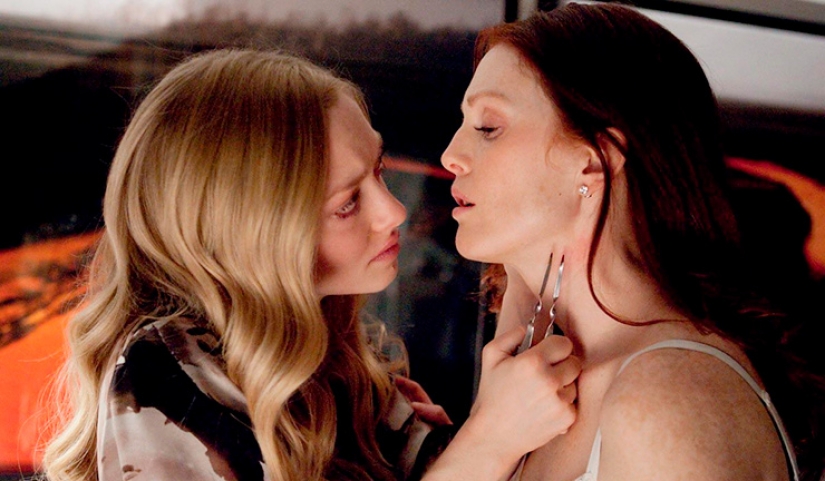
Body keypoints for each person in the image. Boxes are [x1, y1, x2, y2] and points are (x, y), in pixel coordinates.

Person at [41, 49, 581, 481]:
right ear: (254, 231)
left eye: (378, 170)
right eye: (347, 203)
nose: (393, 212)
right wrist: (486, 444)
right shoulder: (165, 376)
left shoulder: (340, 369)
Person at [440, 3, 825, 481]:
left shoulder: (665, 401)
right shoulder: (536, 388)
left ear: (593, 162)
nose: (451, 155)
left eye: (488, 127)